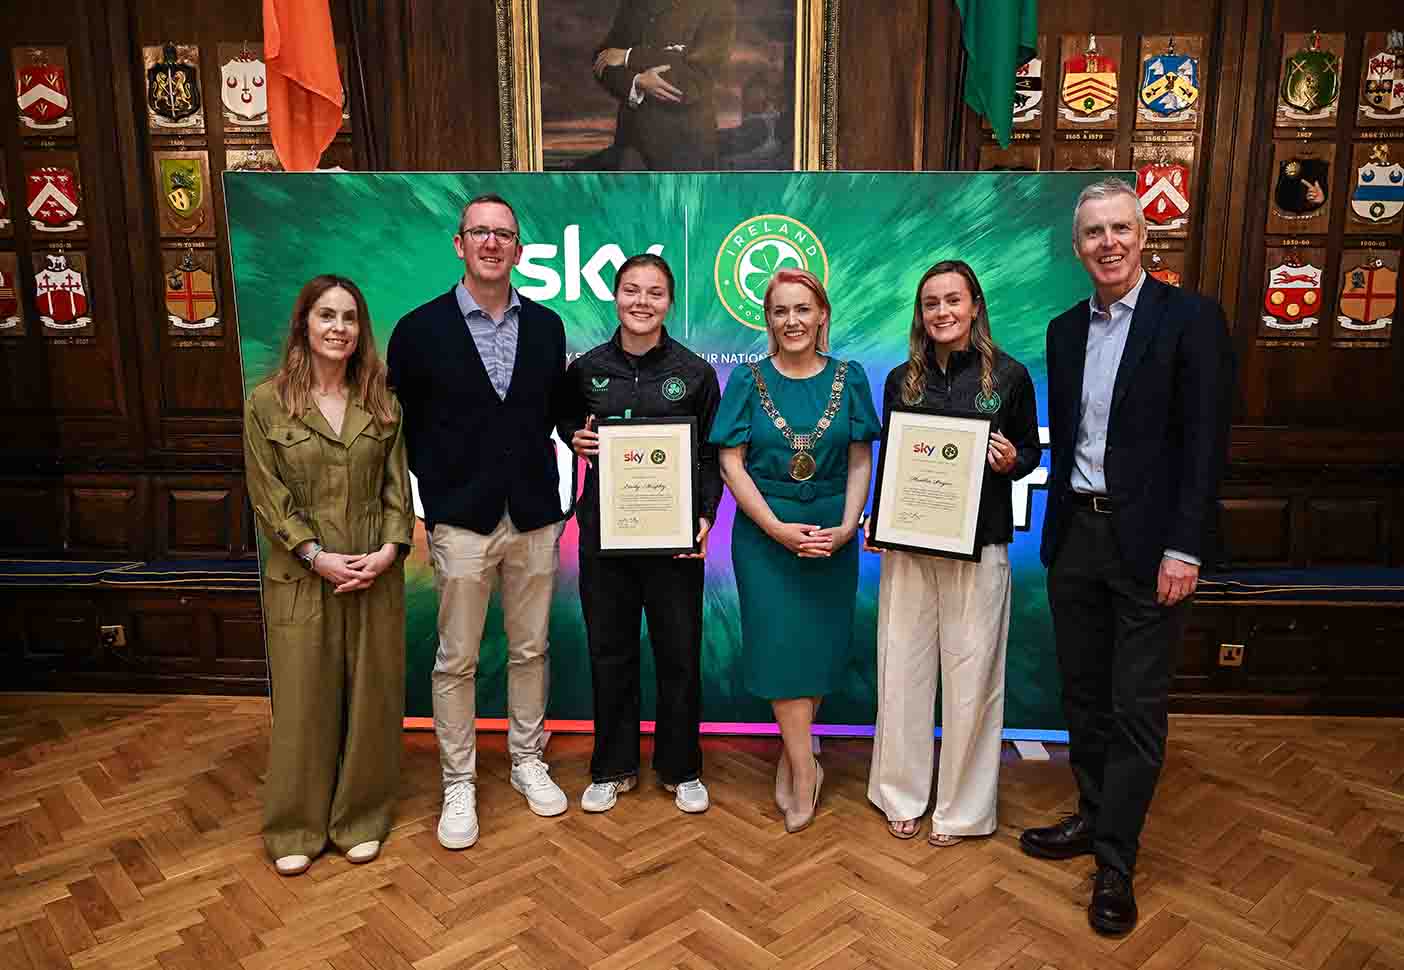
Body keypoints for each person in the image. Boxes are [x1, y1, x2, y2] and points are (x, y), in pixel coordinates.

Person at [1021, 178, 1233, 935]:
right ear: (1076, 247)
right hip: (1077, 534)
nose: (1108, 243)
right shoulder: (1062, 329)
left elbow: (1206, 447)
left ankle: (1115, 861)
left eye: (1121, 228)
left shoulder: (1193, 321)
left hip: (1152, 548)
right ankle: (1090, 814)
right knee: (1081, 695)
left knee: (1135, 709)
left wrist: (1186, 547)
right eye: (1093, 234)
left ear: (1145, 236)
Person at [386, 193, 570, 851]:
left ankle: (527, 760)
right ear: (459, 244)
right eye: (479, 232)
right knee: (457, 657)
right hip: (459, 520)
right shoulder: (416, 330)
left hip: (533, 517)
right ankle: (458, 781)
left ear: (519, 249)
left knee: (530, 648)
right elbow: (392, 427)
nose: (492, 243)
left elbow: (565, 416)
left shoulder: (548, 328)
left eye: (504, 234)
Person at [865, 260, 1041, 846]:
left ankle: (963, 810)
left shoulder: (1009, 377)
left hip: (980, 543)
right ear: (920, 314)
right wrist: (879, 517)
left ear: (974, 306)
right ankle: (901, 795)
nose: (942, 312)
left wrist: (1012, 459)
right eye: (930, 303)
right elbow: (893, 459)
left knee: (972, 677)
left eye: (952, 301)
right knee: (902, 668)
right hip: (909, 543)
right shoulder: (900, 380)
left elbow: (1031, 455)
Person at [243, 275, 413, 876]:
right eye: (326, 316)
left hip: (374, 570)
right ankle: (295, 824)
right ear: (304, 325)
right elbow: (267, 499)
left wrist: (390, 550)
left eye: (350, 318)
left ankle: (360, 817)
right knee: (304, 701)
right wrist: (315, 555)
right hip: (302, 575)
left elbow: (398, 487)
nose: (339, 328)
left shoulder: (382, 402)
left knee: (372, 696)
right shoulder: (267, 403)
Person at [710, 268, 881, 833]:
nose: (792, 321)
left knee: (817, 646)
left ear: (822, 314)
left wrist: (850, 525)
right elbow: (730, 462)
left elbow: (860, 456)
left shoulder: (849, 377)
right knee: (781, 646)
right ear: (769, 319)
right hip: (765, 535)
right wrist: (776, 527)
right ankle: (807, 769)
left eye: (803, 309)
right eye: (781, 311)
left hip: (833, 530)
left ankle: (793, 753)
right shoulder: (748, 379)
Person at [556, 253, 722, 814]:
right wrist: (577, 442)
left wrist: (703, 518)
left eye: (654, 292)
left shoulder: (696, 373)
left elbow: (708, 457)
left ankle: (681, 767)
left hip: (675, 540)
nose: (642, 302)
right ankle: (613, 766)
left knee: (679, 652)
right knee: (610, 652)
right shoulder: (586, 368)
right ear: (617, 296)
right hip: (605, 534)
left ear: (669, 302)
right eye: (631, 290)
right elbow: (567, 424)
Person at [591, 0, 737, 170]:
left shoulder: (718, 6)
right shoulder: (634, 4)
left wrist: (629, 56)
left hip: (686, 148)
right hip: (630, 145)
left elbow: (694, 81)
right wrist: (636, 81)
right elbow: (602, 60)